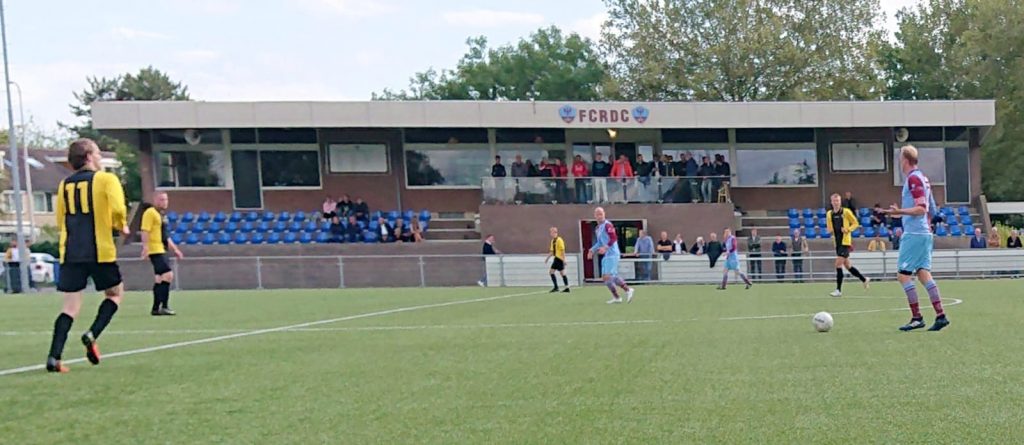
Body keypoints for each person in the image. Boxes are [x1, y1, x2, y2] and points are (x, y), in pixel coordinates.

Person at [45, 139, 130, 373]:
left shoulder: (65, 185)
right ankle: (93, 333)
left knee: (70, 306)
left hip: (72, 251)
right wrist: (120, 225)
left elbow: (60, 219)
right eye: (98, 153)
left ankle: (54, 357)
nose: (101, 157)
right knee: (114, 294)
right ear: (89, 156)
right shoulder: (106, 179)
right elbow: (118, 208)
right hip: (99, 249)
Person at [883, 145, 949, 331]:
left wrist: (900, 211)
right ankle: (940, 315)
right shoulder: (923, 178)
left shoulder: (913, 179)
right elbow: (932, 208)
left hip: (915, 233)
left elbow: (922, 208)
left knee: (903, 276)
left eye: (900, 157)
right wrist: (900, 214)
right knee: (923, 273)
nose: (898, 161)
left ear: (905, 159)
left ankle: (917, 317)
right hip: (923, 232)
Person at [140, 192, 184, 316]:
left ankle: (155, 308)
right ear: (155, 200)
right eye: (161, 199)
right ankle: (164, 306)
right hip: (155, 249)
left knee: (159, 279)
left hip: (162, 249)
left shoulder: (162, 215)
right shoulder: (150, 213)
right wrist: (145, 247)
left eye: (165, 199)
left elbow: (165, 236)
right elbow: (145, 230)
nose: (164, 202)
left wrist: (175, 249)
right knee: (168, 275)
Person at [826, 193, 869, 297]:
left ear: (840, 202)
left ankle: (838, 290)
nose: (836, 203)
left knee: (838, 264)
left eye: (838, 201)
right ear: (831, 202)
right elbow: (830, 228)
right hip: (837, 242)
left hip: (845, 242)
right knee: (848, 266)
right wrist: (830, 231)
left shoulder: (846, 212)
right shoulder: (829, 214)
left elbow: (855, 223)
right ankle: (864, 279)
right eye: (834, 201)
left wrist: (847, 229)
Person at [587, 207, 633, 304]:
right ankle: (617, 297)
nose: (599, 216)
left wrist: (605, 248)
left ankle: (628, 290)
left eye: (601, 214)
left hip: (613, 253)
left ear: (604, 214)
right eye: (597, 214)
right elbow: (599, 242)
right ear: (595, 216)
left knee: (608, 276)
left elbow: (613, 238)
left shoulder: (608, 225)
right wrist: (592, 250)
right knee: (606, 277)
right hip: (607, 255)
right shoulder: (597, 228)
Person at [544, 227, 570, 293]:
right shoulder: (553, 241)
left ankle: (566, 288)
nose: (550, 234)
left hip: (559, 259)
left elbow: (562, 250)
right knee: (551, 272)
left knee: (562, 273)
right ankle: (556, 287)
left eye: (551, 232)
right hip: (556, 259)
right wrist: (547, 259)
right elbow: (552, 251)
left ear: (555, 232)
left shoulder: (559, 240)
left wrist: (564, 260)